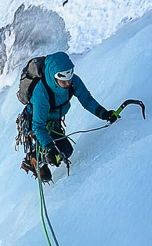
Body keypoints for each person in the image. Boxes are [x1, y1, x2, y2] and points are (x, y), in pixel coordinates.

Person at [20, 51, 119, 183]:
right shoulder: (41, 92)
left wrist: (104, 114)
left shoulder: (73, 81)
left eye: (69, 80)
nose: (67, 84)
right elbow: (38, 126)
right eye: (63, 82)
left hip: (53, 121)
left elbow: (87, 100)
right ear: (55, 79)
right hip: (34, 121)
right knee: (47, 172)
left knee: (65, 151)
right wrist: (49, 148)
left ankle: (45, 154)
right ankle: (33, 159)